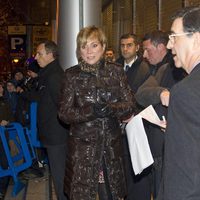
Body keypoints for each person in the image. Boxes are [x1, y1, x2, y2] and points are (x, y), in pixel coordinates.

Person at [58, 26, 136, 200]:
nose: (88, 51)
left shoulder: (116, 71)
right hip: (83, 150)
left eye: (93, 45)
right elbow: (64, 113)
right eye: (84, 46)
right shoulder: (71, 75)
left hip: (110, 147)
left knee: (110, 194)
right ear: (78, 50)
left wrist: (111, 109)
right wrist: (90, 111)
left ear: (103, 46)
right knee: (82, 195)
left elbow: (130, 103)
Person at [135, 30, 185, 199]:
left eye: (148, 49)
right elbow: (141, 94)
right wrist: (161, 92)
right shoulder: (165, 69)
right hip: (160, 149)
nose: (144, 54)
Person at [157, 6, 200, 200]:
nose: (168, 45)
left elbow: (182, 177)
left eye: (174, 37)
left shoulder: (184, 92)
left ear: (197, 39)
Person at [116, 33, 151, 200]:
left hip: (137, 124)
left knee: (137, 167)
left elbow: (141, 96)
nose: (125, 48)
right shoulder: (115, 66)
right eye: (122, 45)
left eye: (129, 45)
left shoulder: (144, 68)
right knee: (123, 165)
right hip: (118, 124)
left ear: (137, 47)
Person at [34, 40, 68, 200]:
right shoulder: (48, 74)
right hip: (53, 136)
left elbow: (63, 107)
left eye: (39, 54)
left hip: (57, 137)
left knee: (60, 178)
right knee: (59, 176)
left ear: (50, 55)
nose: (36, 57)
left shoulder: (54, 76)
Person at [0, 82, 14, 200]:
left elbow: (10, 117)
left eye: (0, 86)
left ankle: (3, 187)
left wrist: (7, 122)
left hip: (3, 135)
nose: (1, 88)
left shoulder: (5, 101)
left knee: (5, 160)